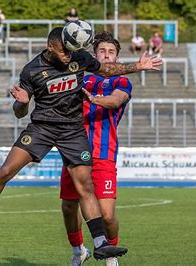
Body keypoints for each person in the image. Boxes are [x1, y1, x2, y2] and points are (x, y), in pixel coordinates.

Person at [0, 27, 162, 261]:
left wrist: (137, 67)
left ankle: (100, 243)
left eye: (71, 51)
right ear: (50, 47)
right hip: (43, 127)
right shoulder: (32, 70)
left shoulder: (79, 57)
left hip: (72, 130)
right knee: (6, 171)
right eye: (64, 51)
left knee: (85, 187)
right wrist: (23, 103)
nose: (69, 56)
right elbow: (19, 113)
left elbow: (109, 69)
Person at [60, 31, 131, 266]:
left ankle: (110, 255)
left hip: (103, 154)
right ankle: (78, 250)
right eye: (102, 51)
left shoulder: (121, 81)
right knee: (69, 206)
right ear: (95, 55)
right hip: (74, 151)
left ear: (117, 57)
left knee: (107, 215)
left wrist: (92, 99)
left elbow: (116, 101)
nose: (107, 55)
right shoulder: (82, 77)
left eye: (111, 52)